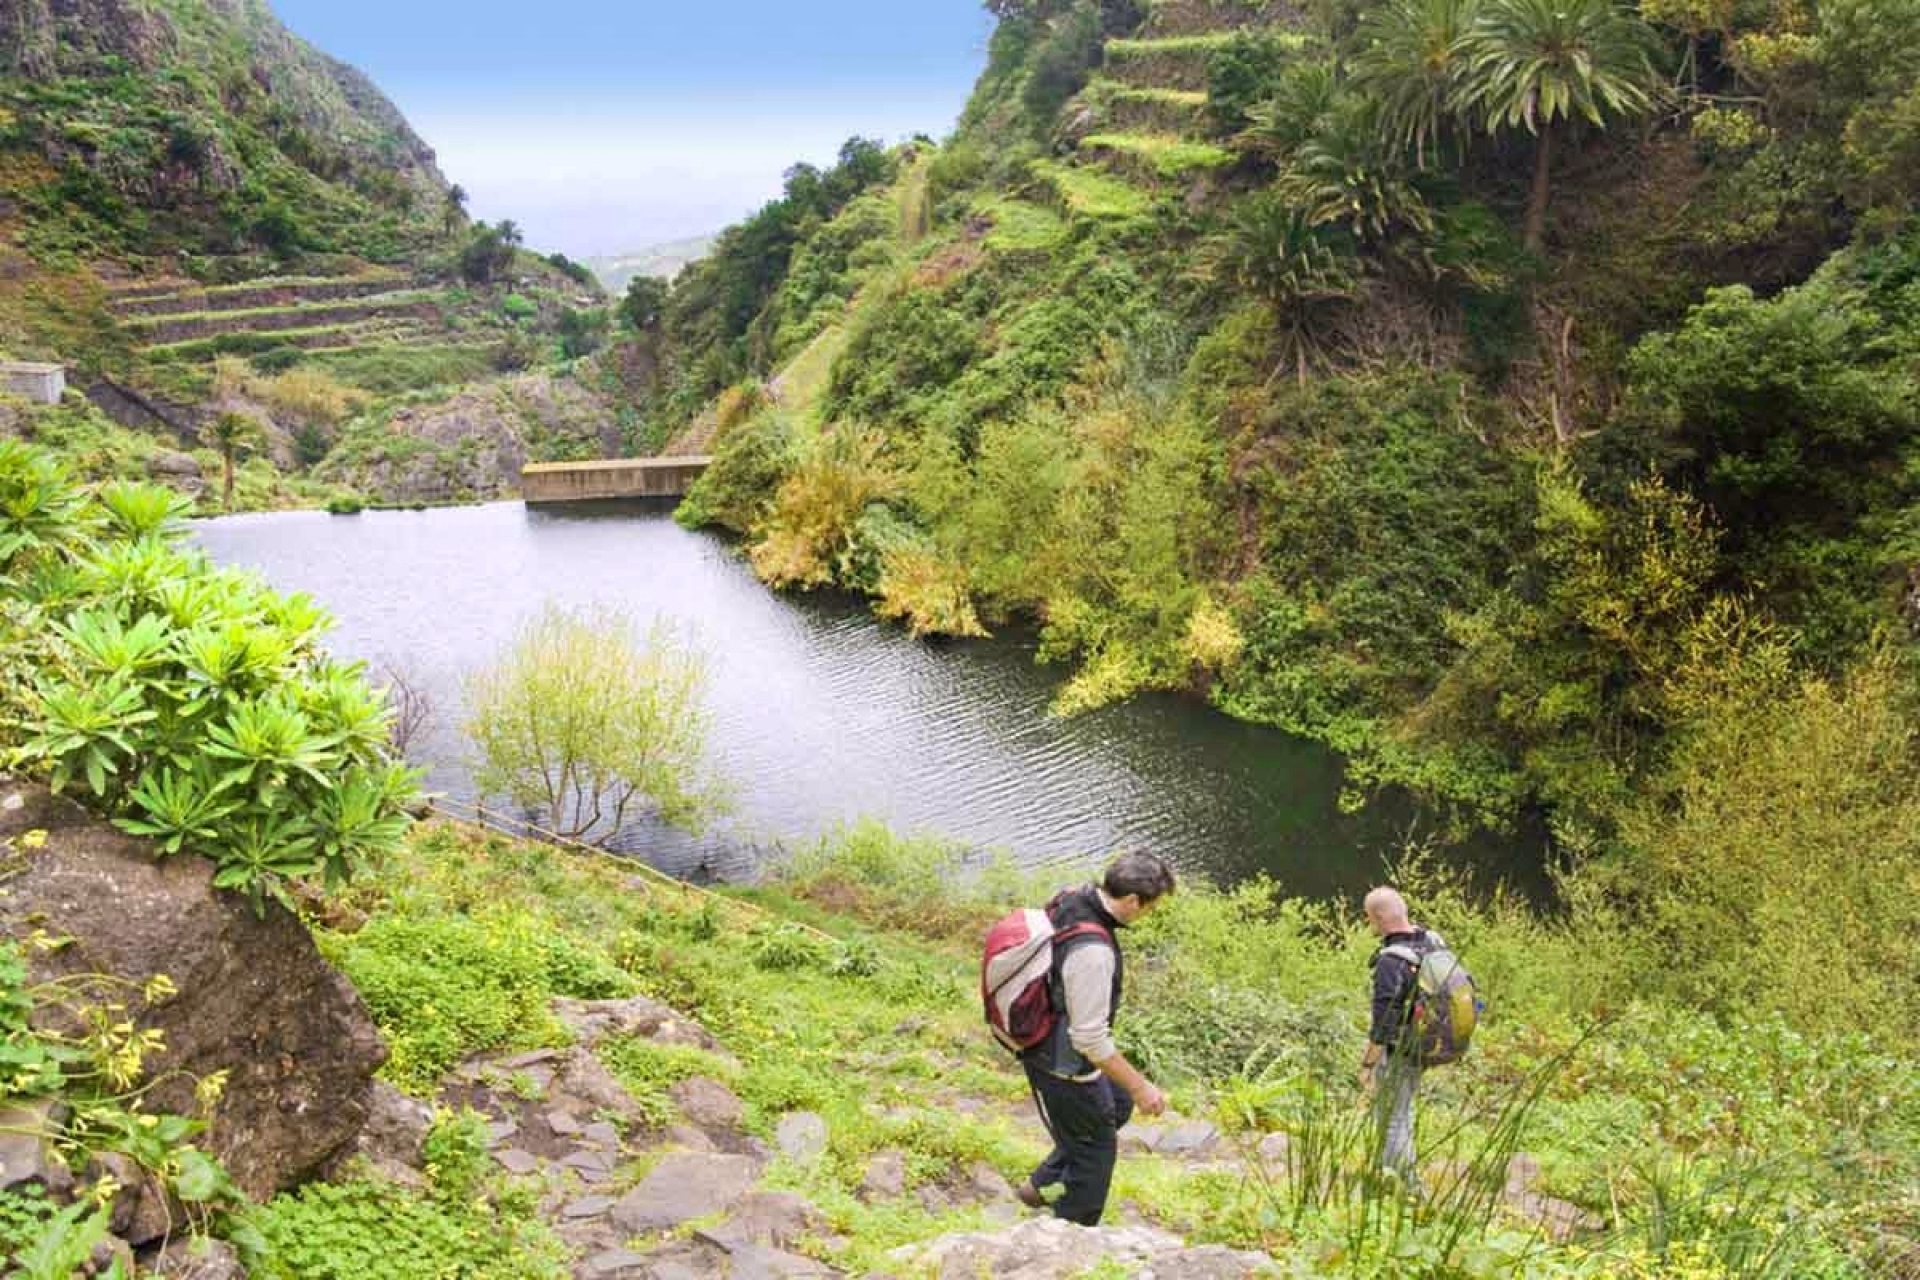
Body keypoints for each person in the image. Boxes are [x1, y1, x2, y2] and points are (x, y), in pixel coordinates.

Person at [1014, 851, 1176, 1226]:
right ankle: (1069, 1236)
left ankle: (1039, 1185)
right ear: (1133, 901)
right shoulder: (1093, 953)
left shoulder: (1074, 898)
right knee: (1096, 1154)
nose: (1147, 915)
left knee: (1115, 1104)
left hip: (1043, 1037)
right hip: (1062, 1064)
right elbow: (1090, 1040)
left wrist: (1128, 1092)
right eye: (1149, 907)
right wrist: (1142, 1087)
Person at [1359, 885, 1432, 1192]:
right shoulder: (1430, 941)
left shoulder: (1391, 961)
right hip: (1426, 1045)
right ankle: (1390, 1175)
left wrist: (1367, 1064)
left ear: (1376, 919)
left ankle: (1405, 1188)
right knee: (1402, 1113)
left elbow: (1384, 1024)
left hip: (1399, 1050)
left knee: (1391, 1120)